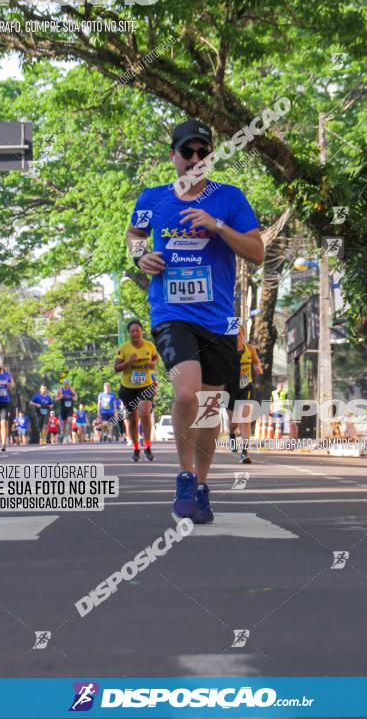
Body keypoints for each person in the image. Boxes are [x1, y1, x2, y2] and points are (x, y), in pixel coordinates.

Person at [126, 119, 264, 522]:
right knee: (186, 394)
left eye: (203, 152)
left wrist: (217, 226)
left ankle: (202, 485)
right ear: (173, 156)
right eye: (187, 152)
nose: (195, 159)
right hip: (172, 313)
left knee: (208, 407)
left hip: (219, 319)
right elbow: (136, 234)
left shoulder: (229, 198)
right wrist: (140, 257)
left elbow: (256, 252)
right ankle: (184, 476)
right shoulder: (152, 198)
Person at [114, 319, 159, 462]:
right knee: (133, 419)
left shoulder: (149, 345)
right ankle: (135, 449)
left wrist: (153, 363)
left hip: (145, 386)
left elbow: (156, 357)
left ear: (141, 331)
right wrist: (129, 362)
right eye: (132, 331)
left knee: (145, 414)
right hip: (128, 388)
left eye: (137, 330)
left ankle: (148, 447)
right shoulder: (124, 348)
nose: (135, 333)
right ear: (129, 333)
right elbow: (116, 368)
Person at [226, 325, 263, 464]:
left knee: (245, 420)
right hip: (229, 389)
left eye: (239, 334)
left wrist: (257, 367)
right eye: (234, 334)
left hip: (245, 388)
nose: (237, 336)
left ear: (243, 334)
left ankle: (244, 453)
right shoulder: (226, 351)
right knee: (233, 423)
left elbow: (256, 360)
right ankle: (231, 434)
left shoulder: (250, 349)